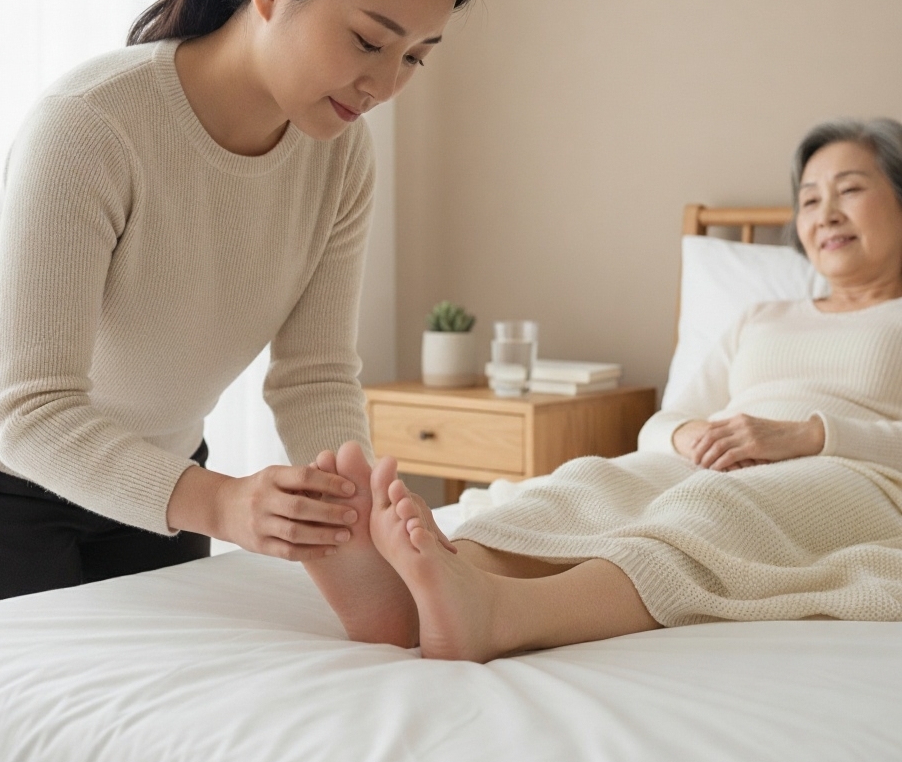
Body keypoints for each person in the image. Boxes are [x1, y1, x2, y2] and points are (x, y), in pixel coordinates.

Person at [0, 0, 473, 614]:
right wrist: (222, 504)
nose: (382, 84)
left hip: (159, 471)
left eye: (415, 58)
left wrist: (357, 515)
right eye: (369, 41)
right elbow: (30, 410)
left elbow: (314, 374)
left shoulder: (340, 157)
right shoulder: (92, 127)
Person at [305, 117, 902, 661]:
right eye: (809, 199)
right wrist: (692, 435)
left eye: (849, 190)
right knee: (593, 481)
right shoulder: (762, 316)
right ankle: (413, 596)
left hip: (855, 474)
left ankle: (502, 615)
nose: (824, 213)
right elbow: (666, 423)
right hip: (723, 459)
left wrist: (809, 435)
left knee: (714, 510)